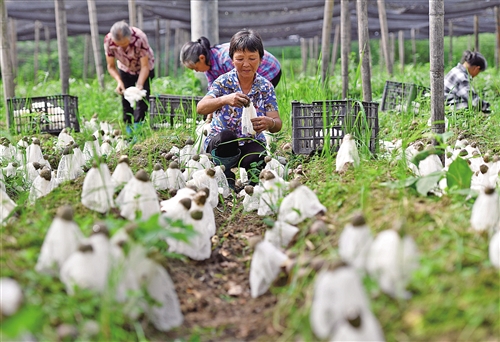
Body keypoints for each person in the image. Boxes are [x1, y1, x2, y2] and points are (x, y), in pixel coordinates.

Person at [196, 29, 282, 189]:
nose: (246, 64)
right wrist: (224, 99)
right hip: (222, 143)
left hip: (251, 140)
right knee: (226, 137)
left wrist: (269, 122)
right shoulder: (223, 82)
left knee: (258, 158)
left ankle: (252, 180)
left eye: (252, 58)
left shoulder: (265, 87)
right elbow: (201, 108)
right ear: (232, 60)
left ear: (261, 60)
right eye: (240, 59)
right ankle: (226, 174)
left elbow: (277, 123)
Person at [104, 21, 155, 134]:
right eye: (119, 45)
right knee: (125, 98)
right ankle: (128, 130)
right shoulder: (108, 41)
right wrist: (119, 82)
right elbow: (111, 66)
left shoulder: (139, 37)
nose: (123, 47)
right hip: (125, 68)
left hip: (144, 68)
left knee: (142, 99)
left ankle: (139, 129)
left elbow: (145, 66)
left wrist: (140, 84)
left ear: (130, 37)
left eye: (125, 44)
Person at [180, 36, 282, 89]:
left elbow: (237, 86)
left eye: (195, 68)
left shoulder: (225, 60)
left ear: (201, 58)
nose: (196, 71)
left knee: (252, 96)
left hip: (269, 68)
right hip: (250, 71)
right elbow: (213, 90)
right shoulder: (208, 66)